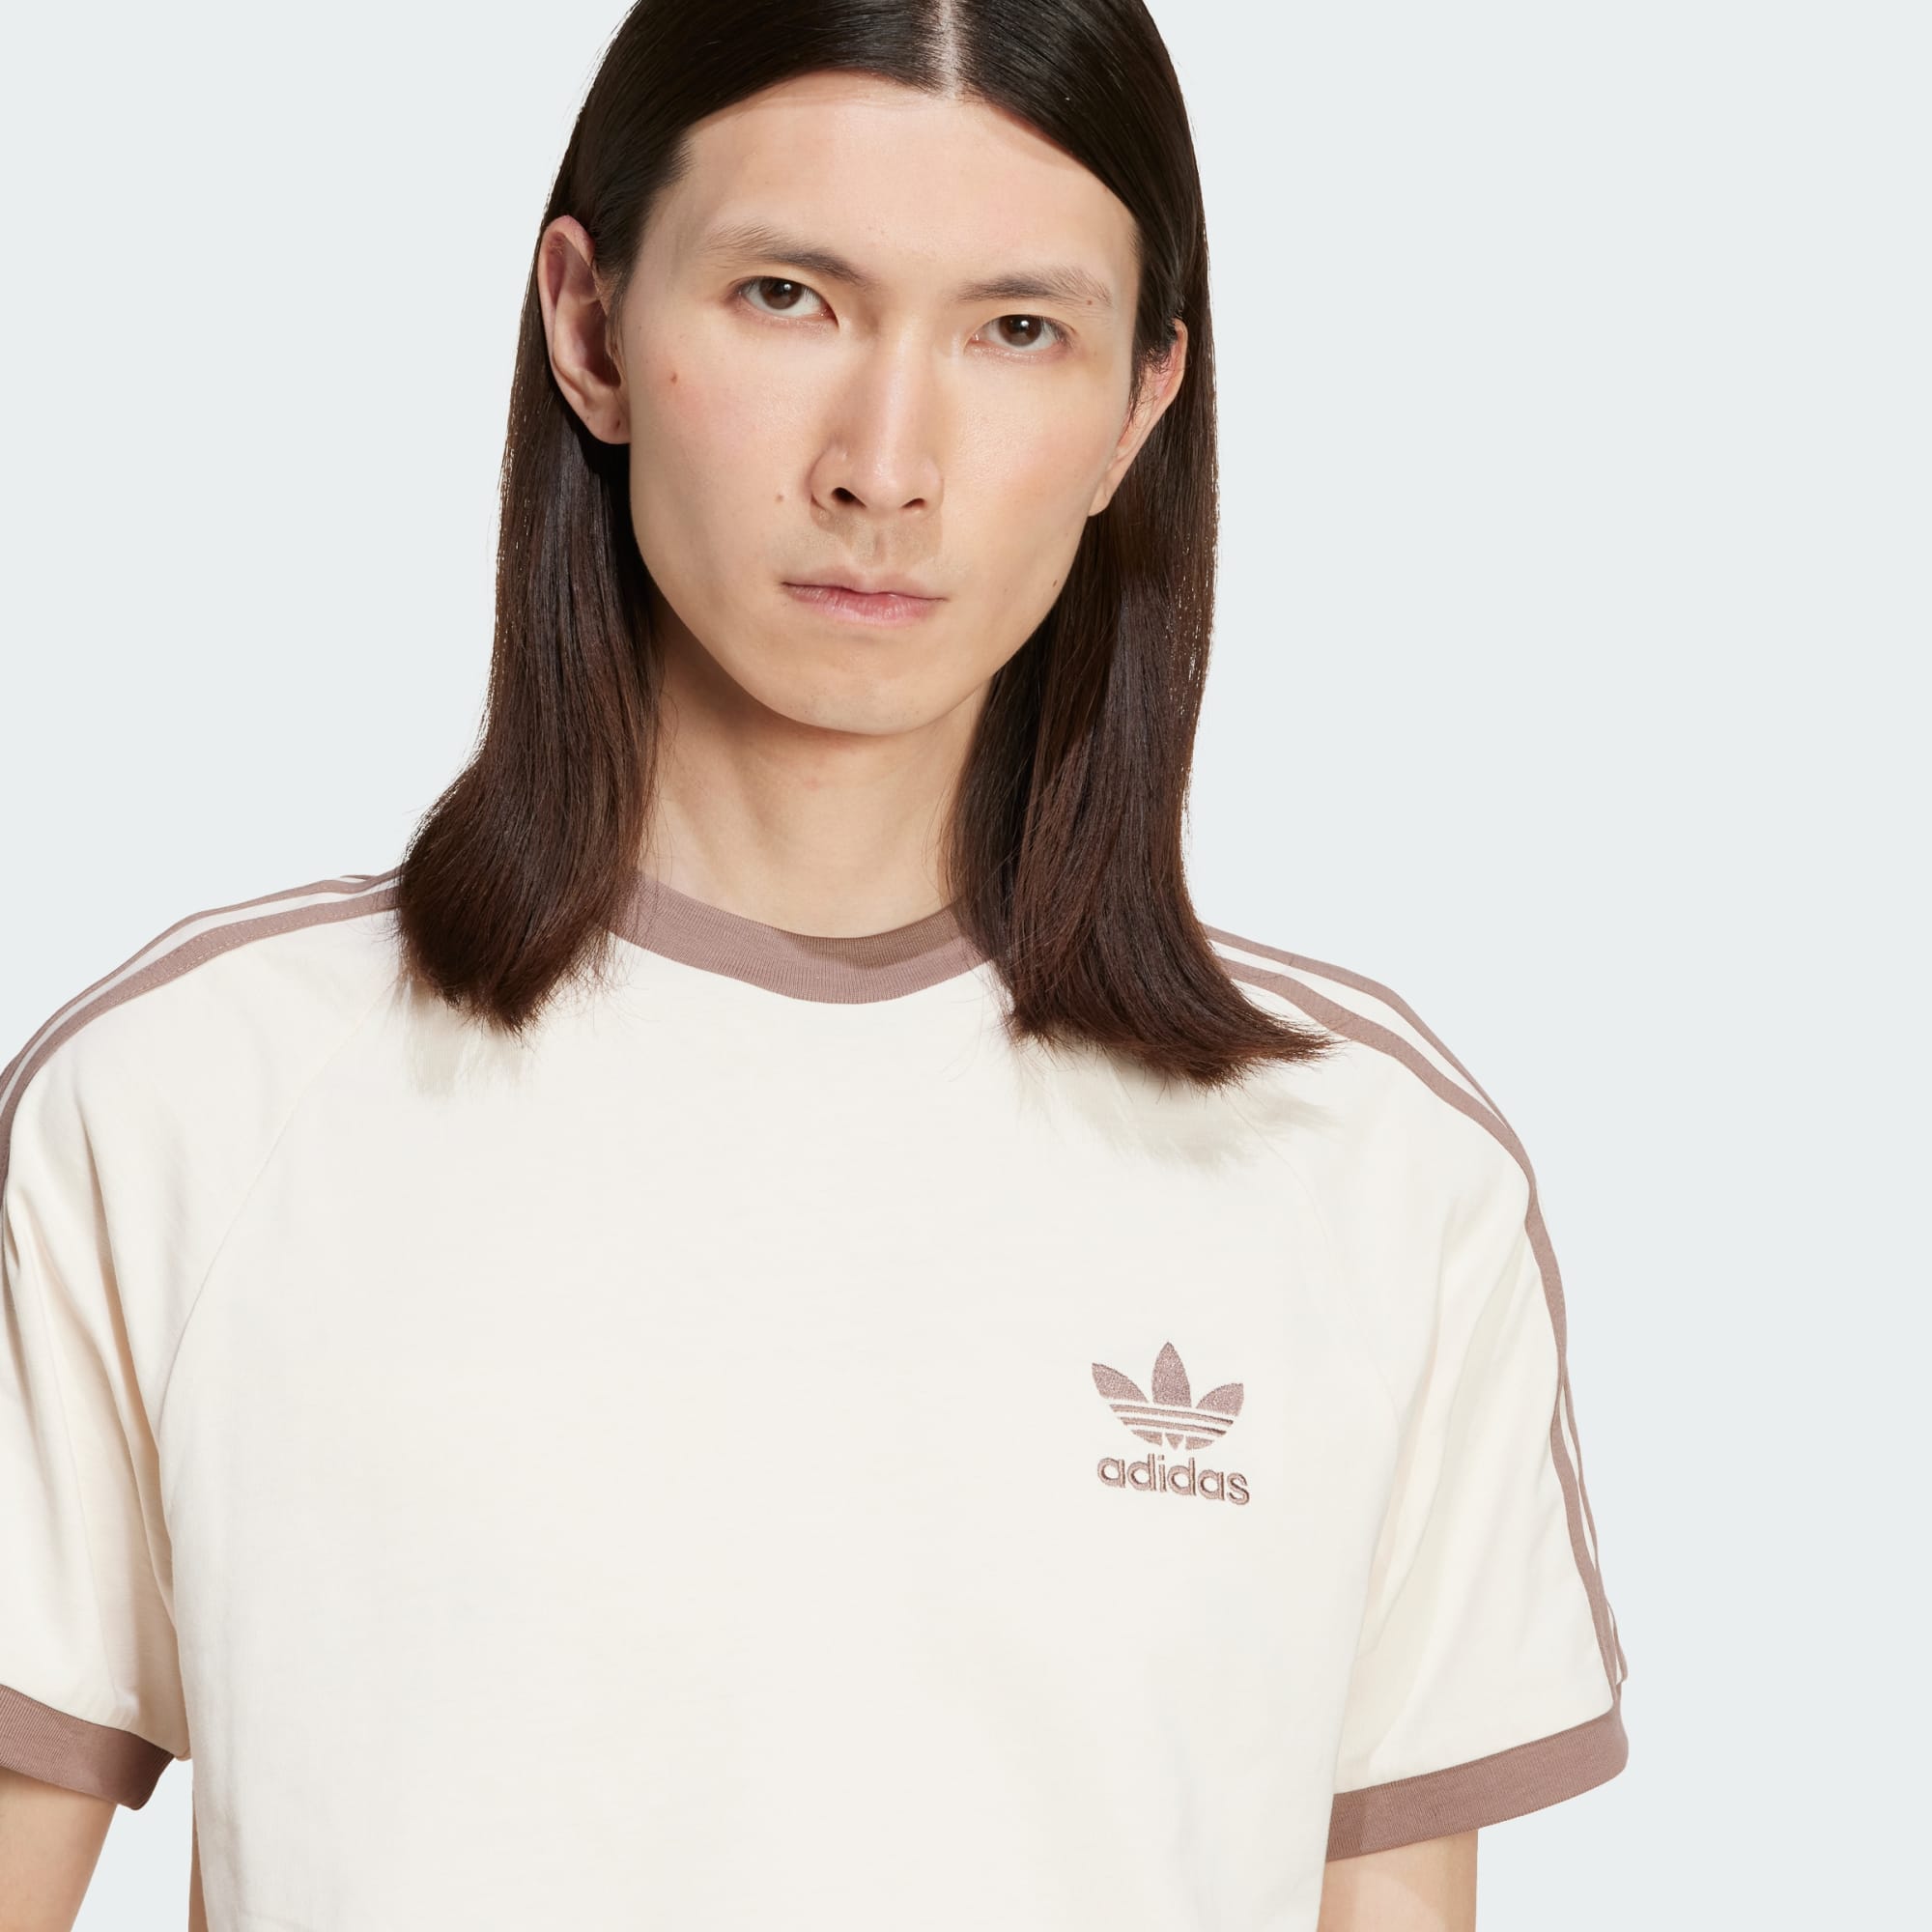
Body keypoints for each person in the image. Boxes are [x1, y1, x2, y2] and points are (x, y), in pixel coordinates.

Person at [0, 3, 1629, 1927]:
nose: (886, 463)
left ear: (1139, 406)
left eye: (1016, 329)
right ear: (590, 327)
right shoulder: (182, 1113)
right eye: (789, 296)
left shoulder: (1374, 1181)